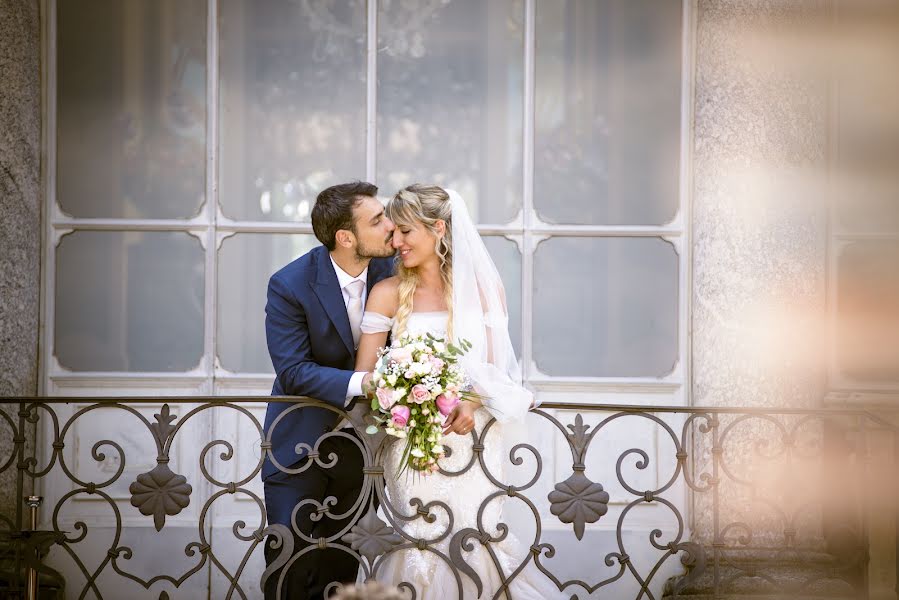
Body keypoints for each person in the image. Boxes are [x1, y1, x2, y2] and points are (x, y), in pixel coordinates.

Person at [354, 184, 564, 599]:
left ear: (438, 229)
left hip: (473, 440)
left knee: (476, 534)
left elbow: (497, 368)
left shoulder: (485, 290)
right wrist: (402, 393)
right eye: (393, 233)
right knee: (419, 538)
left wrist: (469, 400)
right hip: (412, 443)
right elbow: (366, 376)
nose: (395, 243)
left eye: (405, 233)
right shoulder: (387, 293)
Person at [262, 181, 395, 600]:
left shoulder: (395, 274)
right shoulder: (290, 284)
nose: (390, 225)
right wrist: (365, 382)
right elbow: (294, 370)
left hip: (362, 452)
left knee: (342, 569)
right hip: (300, 446)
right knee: (288, 564)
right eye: (377, 220)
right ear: (345, 237)